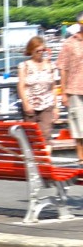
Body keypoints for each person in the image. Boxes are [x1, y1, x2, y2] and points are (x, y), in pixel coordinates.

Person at [18, 36, 58, 137]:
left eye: (42, 50)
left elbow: (53, 87)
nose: (40, 53)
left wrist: (56, 107)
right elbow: (21, 86)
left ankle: (45, 152)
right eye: (37, 51)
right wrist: (26, 104)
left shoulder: (50, 65)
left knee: (46, 134)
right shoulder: (24, 66)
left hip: (47, 104)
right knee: (31, 136)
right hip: (31, 104)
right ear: (31, 51)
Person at [57, 18, 83, 163]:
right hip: (75, 89)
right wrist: (63, 91)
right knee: (79, 125)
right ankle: (81, 158)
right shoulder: (70, 43)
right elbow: (63, 68)